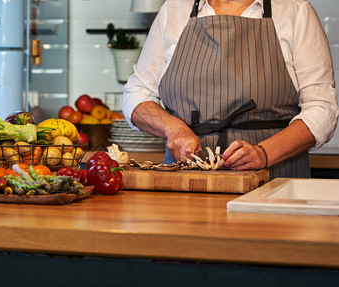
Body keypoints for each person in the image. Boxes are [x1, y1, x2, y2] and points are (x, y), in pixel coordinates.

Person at [122, 0, 339, 179]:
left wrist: (264, 153)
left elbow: (323, 108)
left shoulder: (296, 12)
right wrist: (173, 128)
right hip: (185, 179)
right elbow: (137, 92)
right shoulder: (173, 10)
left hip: (276, 178)